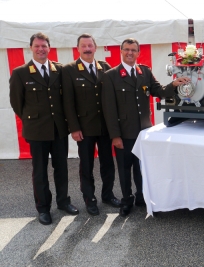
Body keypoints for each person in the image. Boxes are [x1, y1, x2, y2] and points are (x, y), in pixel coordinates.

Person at [102, 38, 190, 217]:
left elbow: (159, 91)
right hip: (124, 132)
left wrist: (174, 84)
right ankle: (127, 200)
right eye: (126, 49)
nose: (130, 53)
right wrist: (115, 136)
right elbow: (109, 109)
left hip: (144, 131)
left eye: (133, 50)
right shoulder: (111, 75)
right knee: (125, 168)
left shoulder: (145, 72)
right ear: (121, 51)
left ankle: (143, 196)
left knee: (143, 167)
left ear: (138, 52)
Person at [9, 32, 78, 225]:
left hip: (58, 129)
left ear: (49, 48)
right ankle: (43, 208)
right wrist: (32, 121)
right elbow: (16, 103)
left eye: (44, 46)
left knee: (61, 168)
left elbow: (66, 99)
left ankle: (63, 202)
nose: (41, 49)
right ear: (31, 48)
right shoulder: (20, 72)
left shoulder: (59, 69)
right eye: (37, 46)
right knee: (40, 171)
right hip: (37, 130)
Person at [62, 33, 120, 216]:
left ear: (95, 47)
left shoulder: (105, 67)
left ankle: (108, 195)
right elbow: (68, 102)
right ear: (78, 48)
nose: (87, 49)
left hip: (104, 126)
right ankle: (90, 199)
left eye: (90, 45)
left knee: (108, 163)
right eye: (83, 46)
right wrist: (74, 128)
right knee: (86, 165)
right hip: (84, 128)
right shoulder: (69, 69)